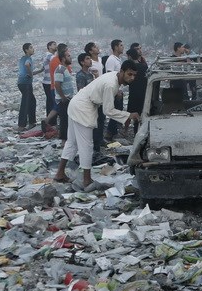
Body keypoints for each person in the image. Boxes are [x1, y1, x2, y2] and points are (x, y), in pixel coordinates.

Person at [53, 60, 140, 189]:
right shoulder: (111, 84)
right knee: (87, 145)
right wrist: (128, 115)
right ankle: (86, 180)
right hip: (83, 108)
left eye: (134, 75)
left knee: (72, 142)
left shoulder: (114, 77)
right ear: (122, 71)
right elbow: (108, 110)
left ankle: (59, 173)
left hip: (77, 104)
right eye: (129, 74)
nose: (132, 78)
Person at [17, 43, 42, 131]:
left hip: (22, 83)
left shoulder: (23, 58)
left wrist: (40, 70)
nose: (33, 49)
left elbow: (29, 72)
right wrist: (31, 75)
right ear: (26, 50)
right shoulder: (28, 59)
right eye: (31, 48)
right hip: (26, 83)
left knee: (32, 101)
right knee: (26, 103)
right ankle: (21, 125)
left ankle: (32, 122)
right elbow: (27, 65)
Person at [84, 42, 104, 151]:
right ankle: (96, 141)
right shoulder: (90, 65)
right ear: (90, 51)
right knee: (96, 118)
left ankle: (100, 139)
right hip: (95, 93)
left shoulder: (100, 60)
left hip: (102, 91)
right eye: (95, 47)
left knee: (101, 117)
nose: (97, 48)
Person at [54, 44, 75, 146]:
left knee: (68, 119)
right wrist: (63, 97)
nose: (70, 58)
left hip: (68, 98)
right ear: (63, 58)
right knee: (64, 120)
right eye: (68, 56)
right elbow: (57, 84)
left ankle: (68, 139)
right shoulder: (60, 69)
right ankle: (63, 141)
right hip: (64, 100)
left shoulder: (65, 69)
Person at [125, 43, 147, 135]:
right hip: (144, 94)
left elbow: (127, 81)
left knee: (129, 114)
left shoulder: (130, 69)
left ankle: (125, 131)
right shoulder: (144, 66)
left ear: (129, 57)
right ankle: (139, 131)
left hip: (133, 94)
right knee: (141, 114)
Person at [104, 39, 125, 140]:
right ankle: (110, 132)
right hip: (114, 90)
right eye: (121, 45)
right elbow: (110, 75)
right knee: (115, 111)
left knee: (118, 110)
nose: (122, 47)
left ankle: (113, 132)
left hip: (118, 89)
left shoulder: (118, 59)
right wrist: (116, 91)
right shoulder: (111, 60)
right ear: (116, 47)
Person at [42, 41, 57, 119]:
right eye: (54, 44)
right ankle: (51, 121)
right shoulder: (49, 55)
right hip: (49, 82)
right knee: (52, 102)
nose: (56, 46)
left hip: (49, 81)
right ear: (49, 47)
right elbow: (56, 61)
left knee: (51, 102)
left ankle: (51, 120)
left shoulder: (51, 56)